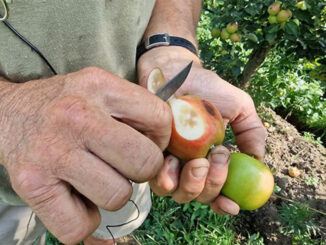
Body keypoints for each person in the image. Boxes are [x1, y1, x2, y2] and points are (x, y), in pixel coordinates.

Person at [0, 0, 266, 244]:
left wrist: (170, 43)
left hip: (130, 138)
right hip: (5, 180)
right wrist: (10, 113)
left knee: (109, 221)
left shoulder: (147, 128)